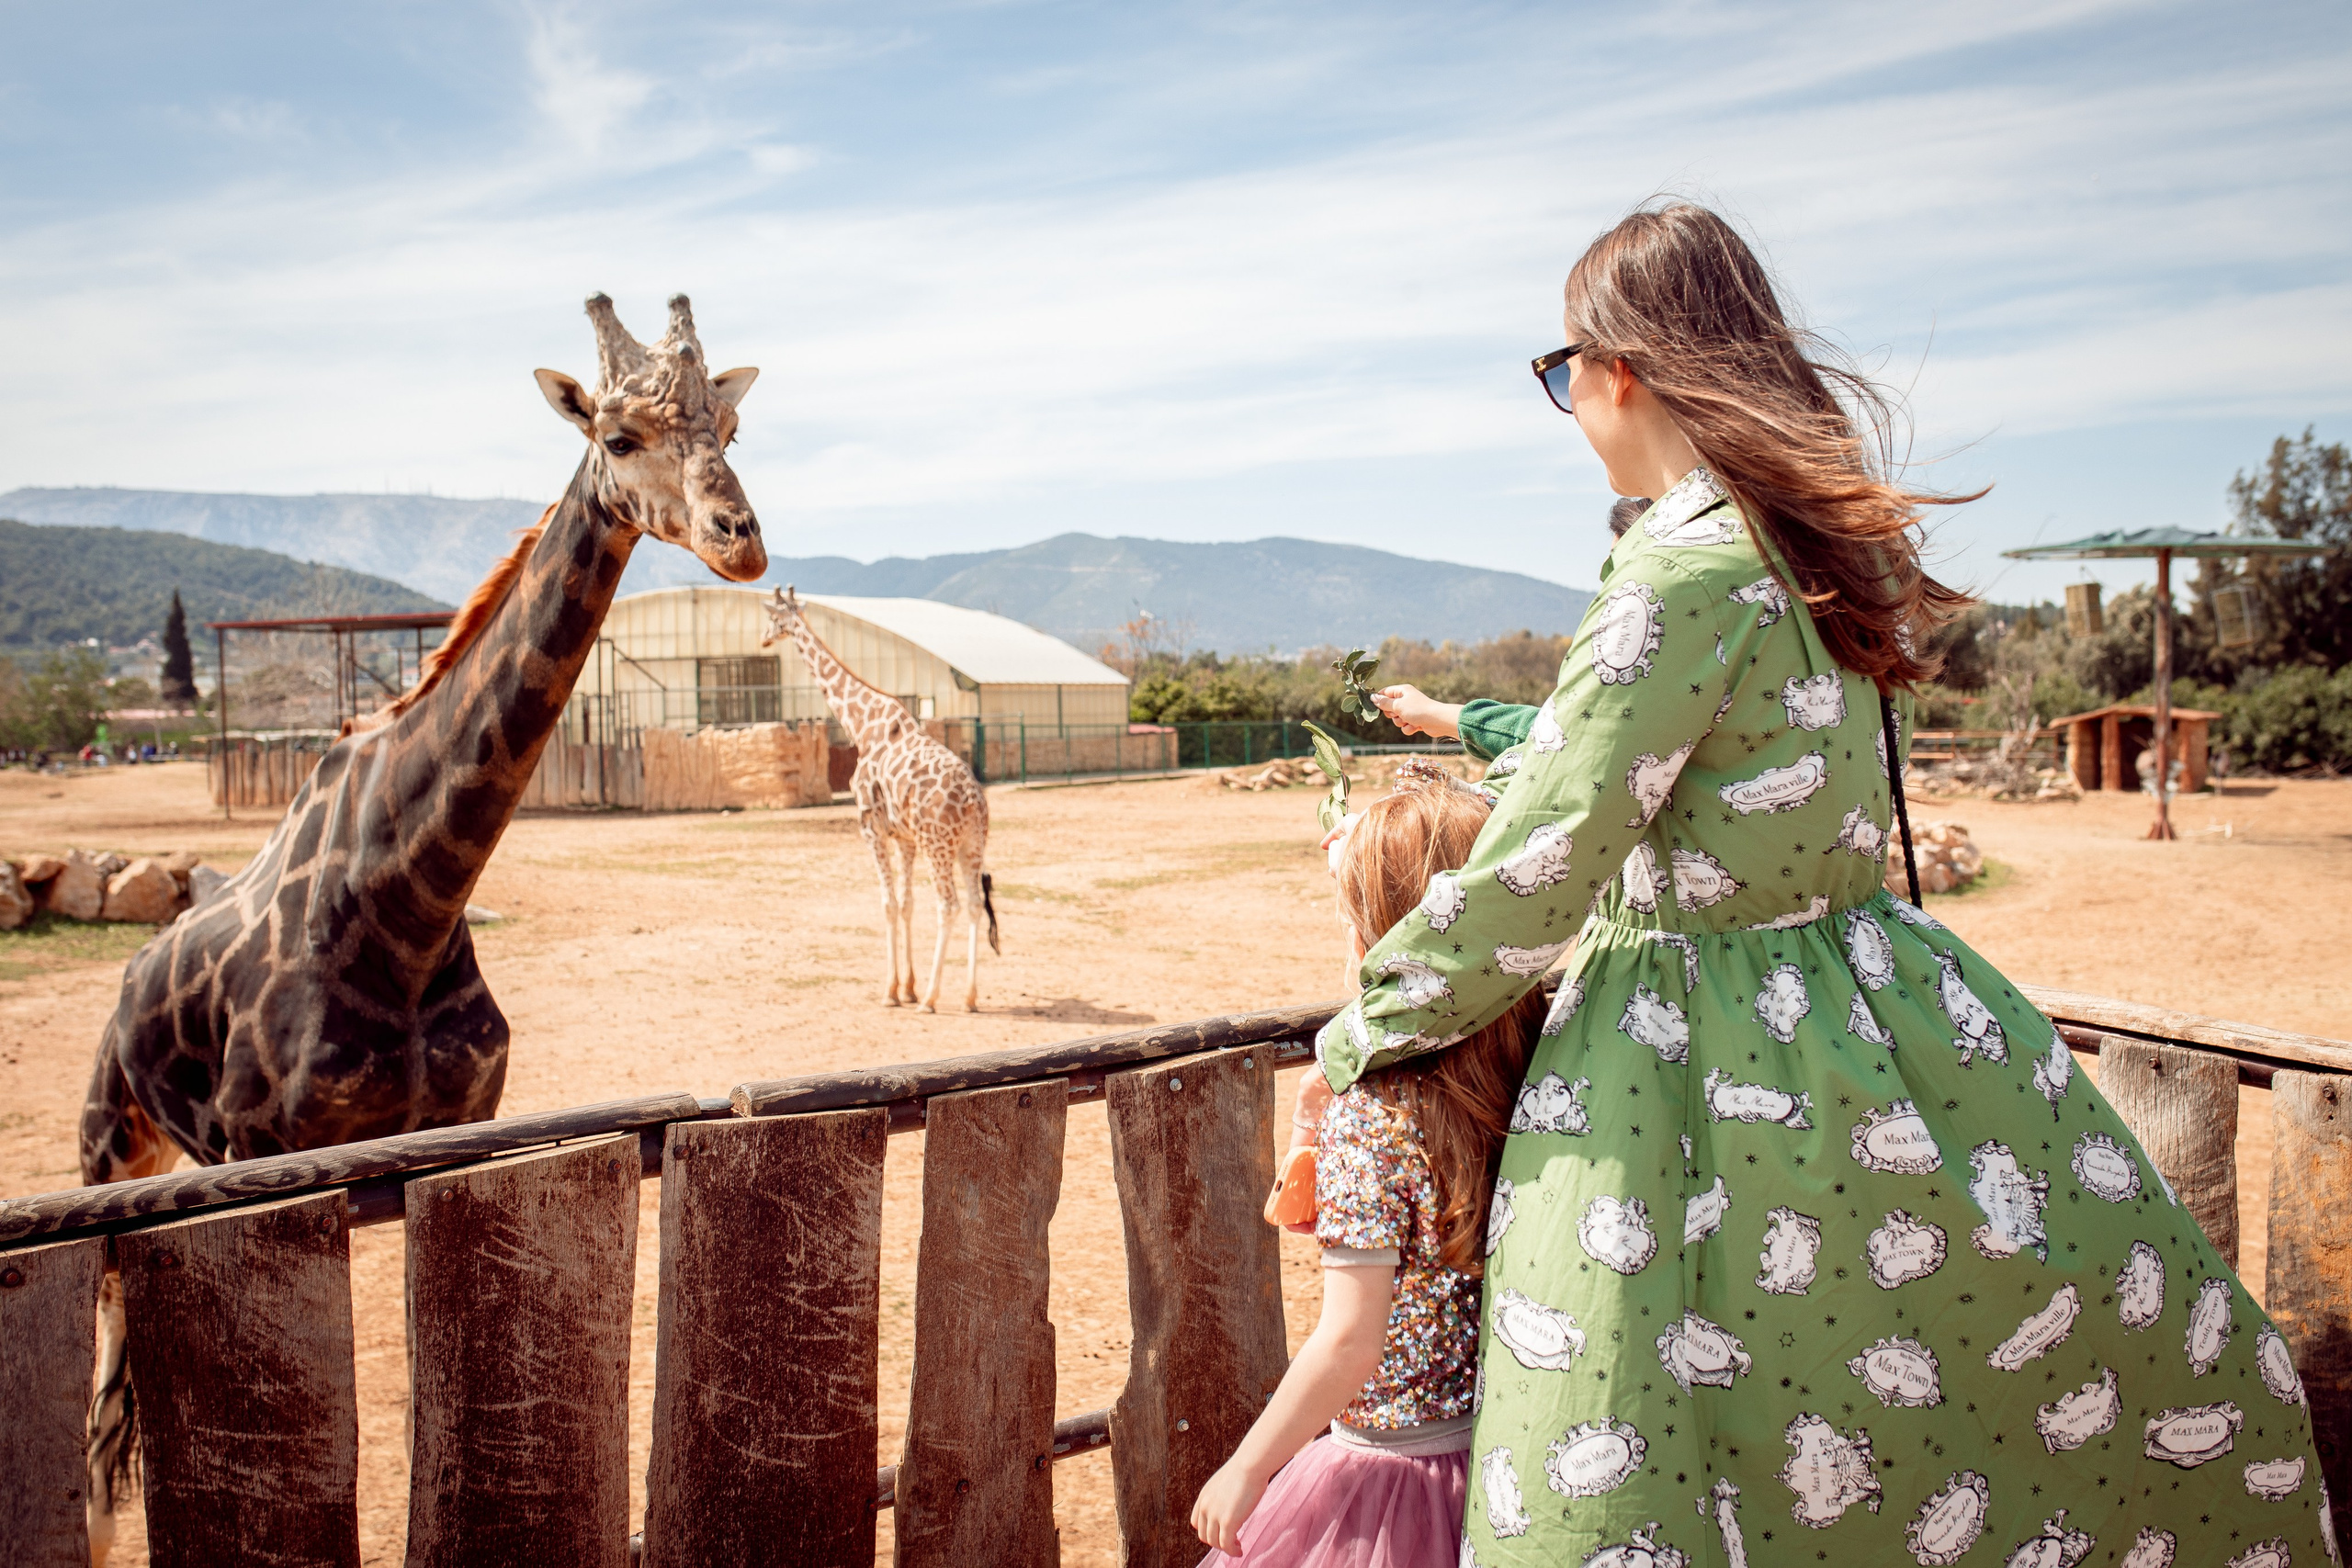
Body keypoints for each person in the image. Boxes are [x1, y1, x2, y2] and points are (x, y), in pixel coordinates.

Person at [1311, 203, 2333, 1567]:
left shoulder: (1678, 564)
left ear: (1619, 366)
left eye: (1563, 374)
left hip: (1682, 1061)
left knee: (1626, 1435)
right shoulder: (1807, 551)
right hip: (1875, 1020)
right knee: (1908, 1408)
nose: (1568, 407)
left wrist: (1369, 1021)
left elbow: (1544, 858)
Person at [1193, 762, 1547, 1568]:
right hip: (1512, 1464)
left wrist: (1249, 1465)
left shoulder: (1373, 1114)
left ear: (1376, 940)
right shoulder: (1543, 1066)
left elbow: (1351, 1339)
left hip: (1390, 1477)